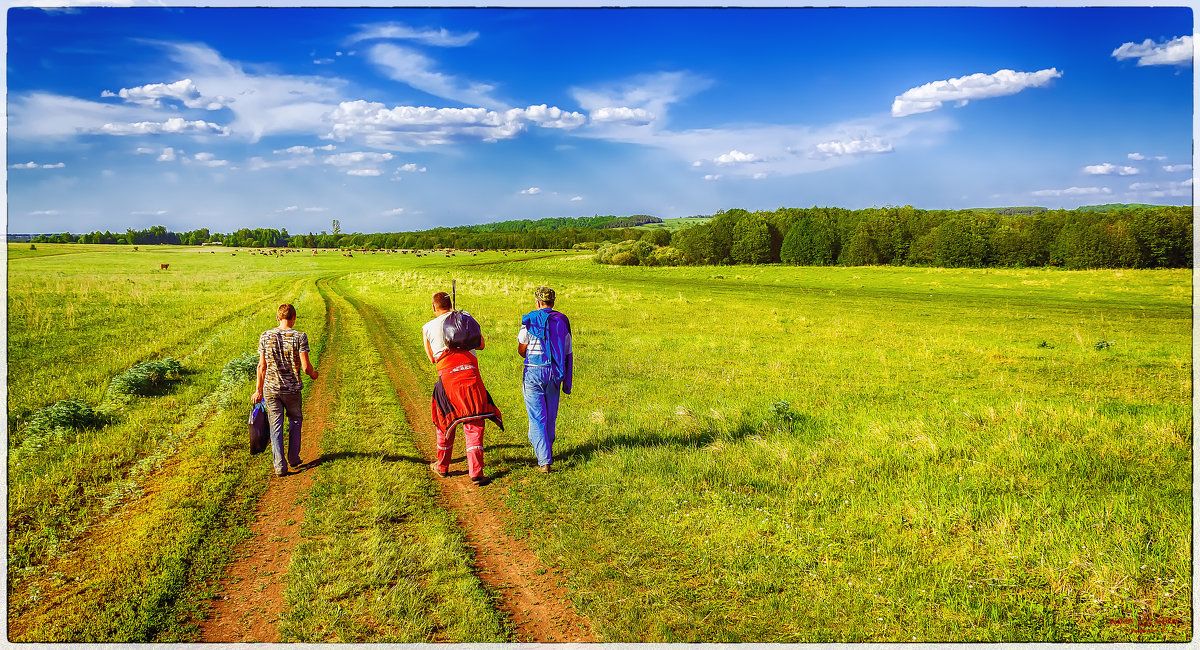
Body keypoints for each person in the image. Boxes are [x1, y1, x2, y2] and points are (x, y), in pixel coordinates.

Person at [423, 292, 502, 486]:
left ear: (434, 307)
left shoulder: (427, 328)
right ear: (450, 304)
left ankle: (442, 466)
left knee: (444, 423)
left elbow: (432, 358)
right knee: (474, 424)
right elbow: (481, 344)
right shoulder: (465, 317)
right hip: (471, 376)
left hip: (447, 379)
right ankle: (476, 473)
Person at [251, 303, 318, 477]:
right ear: (294, 318)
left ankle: (280, 466)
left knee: (276, 426)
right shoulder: (300, 337)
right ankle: (294, 458)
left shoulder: (265, 336)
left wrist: (258, 390)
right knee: (295, 420)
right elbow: (305, 367)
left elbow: (262, 366)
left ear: (277, 318)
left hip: (271, 389)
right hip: (292, 389)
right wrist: (313, 374)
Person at [518, 286, 573, 473]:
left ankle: (544, 460)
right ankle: (546, 450)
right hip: (555, 372)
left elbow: (521, 348)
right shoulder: (562, 321)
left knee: (536, 417)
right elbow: (567, 351)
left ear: (537, 302)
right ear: (553, 302)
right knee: (550, 415)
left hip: (533, 371)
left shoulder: (529, 320)